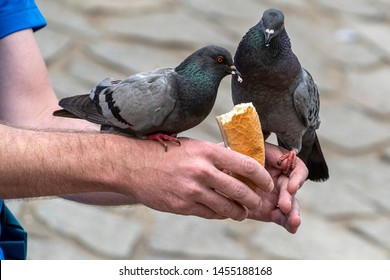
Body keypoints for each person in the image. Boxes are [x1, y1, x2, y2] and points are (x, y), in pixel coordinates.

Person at [0, 0, 308, 259]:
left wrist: (213, 169)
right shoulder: (162, 92)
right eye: (220, 62)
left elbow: (33, 121)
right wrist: (135, 165)